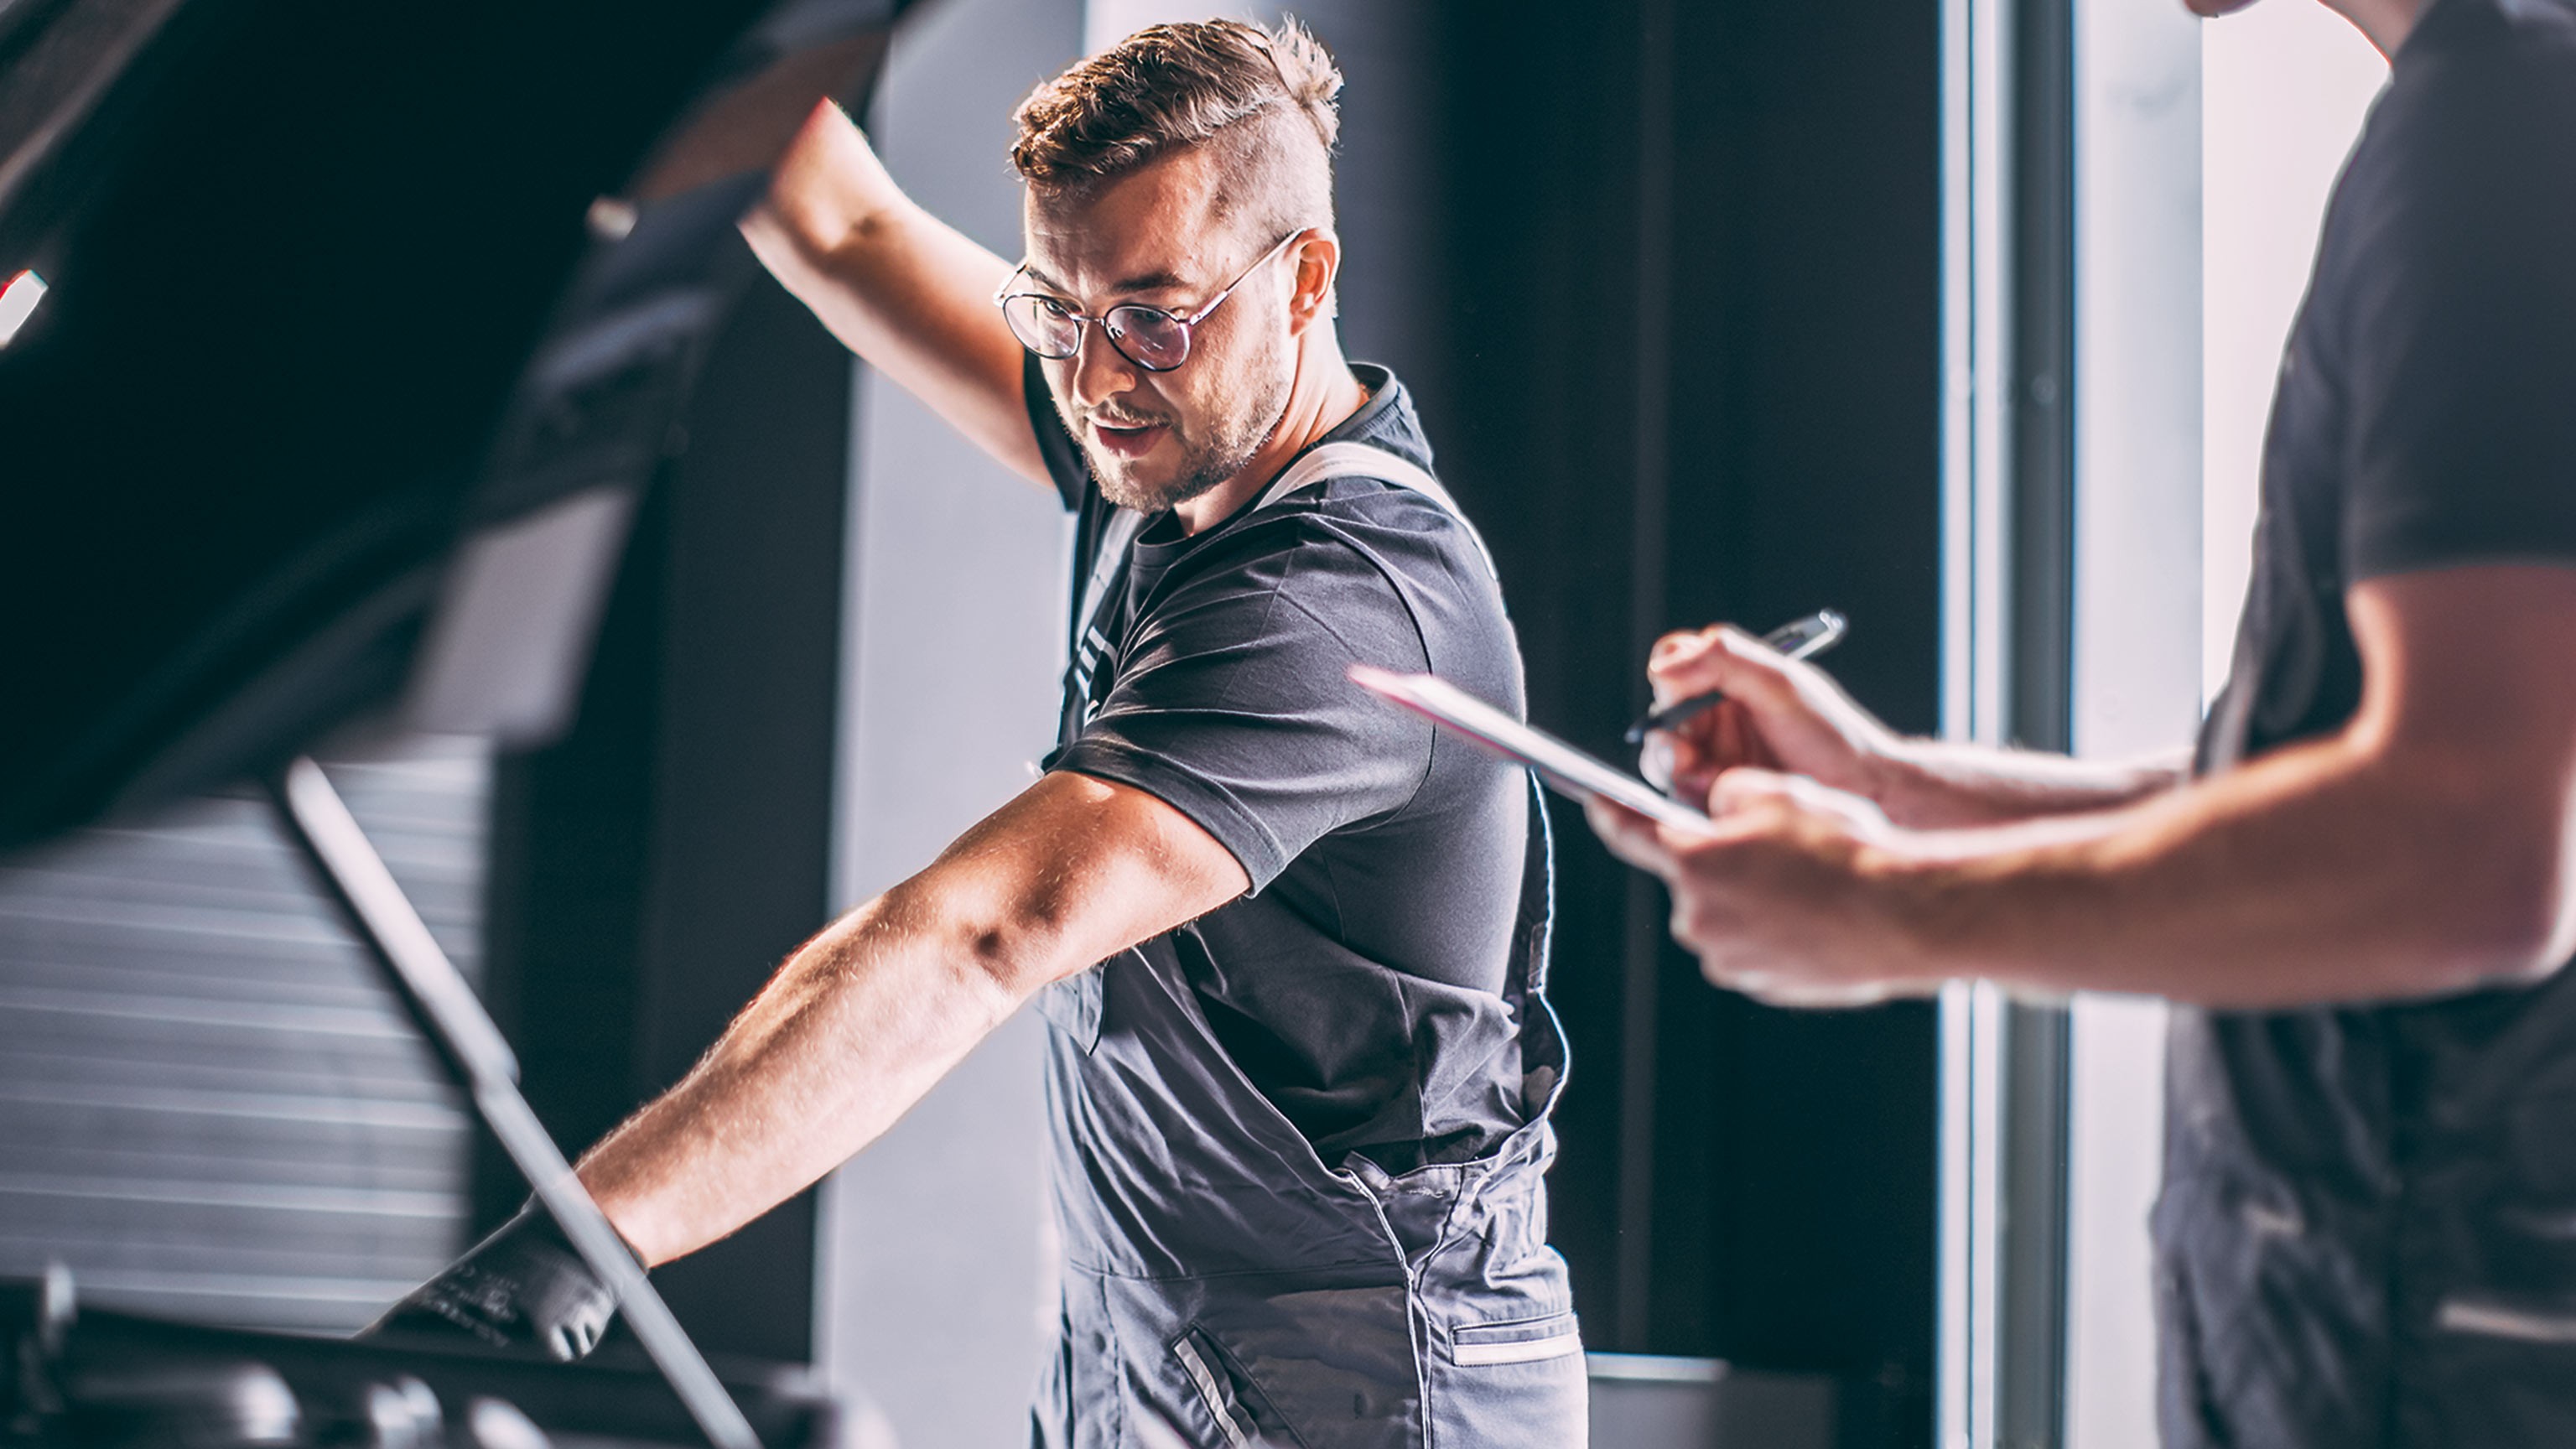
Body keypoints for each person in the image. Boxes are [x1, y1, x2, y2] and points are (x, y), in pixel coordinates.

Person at [373, 18, 1586, 1447]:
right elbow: (839, 222)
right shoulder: (1168, 449)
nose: (1096, 379)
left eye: (1152, 312)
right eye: (1057, 315)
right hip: (1158, 1353)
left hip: (1376, 1391)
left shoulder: (1337, 606)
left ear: (1306, 278)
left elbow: (982, 935)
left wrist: (567, 1249)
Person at [1589, 0, 2576, 1443]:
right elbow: (2333, 782)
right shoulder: (2489, 112)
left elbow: (2479, 847)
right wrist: (1895, 787)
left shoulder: (2506, 126)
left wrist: (1888, 910)